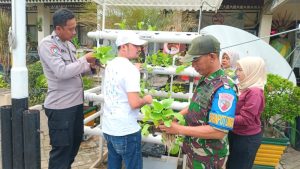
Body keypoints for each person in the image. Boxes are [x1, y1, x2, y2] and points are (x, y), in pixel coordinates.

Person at [159, 35, 238, 169]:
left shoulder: (225, 89)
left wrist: (178, 129)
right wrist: (177, 117)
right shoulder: (207, 79)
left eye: (196, 60)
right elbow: (196, 104)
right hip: (194, 152)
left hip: (209, 159)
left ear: (212, 57)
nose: (193, 65)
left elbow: (218, 131)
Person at [38, 8, 96, 169]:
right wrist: (84, 59)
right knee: (61, 150)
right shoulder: (48, 45)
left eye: (75, 27)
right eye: (70, 29)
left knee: (75, 142)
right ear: (58, 29)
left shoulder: (69, 45)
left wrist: (91, 66)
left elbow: (74, 70)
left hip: (75, 105)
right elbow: (62, 72)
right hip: (60, 107)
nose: (74, 32)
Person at [102, 31, 153, 169]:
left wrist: (134, 69)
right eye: (136, 46)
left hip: (109, 127)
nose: (139, 49)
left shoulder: (110, 65)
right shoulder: (130, 70)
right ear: (124, 47)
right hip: (126, 130)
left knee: (113, 163)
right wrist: (147, 99)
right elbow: (135, 103)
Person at [226, 57, 267, 169]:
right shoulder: (245, 86)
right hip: (236, 133)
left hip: (246, 139)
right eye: (237, 69)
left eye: (240, 70)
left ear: (251, 71)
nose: (237, 73)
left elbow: (246, 119)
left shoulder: (255, 92)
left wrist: (223, 119)